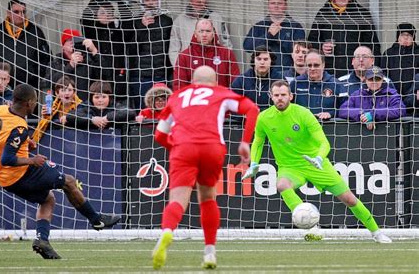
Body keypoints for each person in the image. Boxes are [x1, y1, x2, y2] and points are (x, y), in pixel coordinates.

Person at [242, 80, 392, 244]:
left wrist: (319, 158)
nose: (280, 98)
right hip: (290, 167)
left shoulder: (303, 114)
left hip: (316, 164)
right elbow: (258, 142)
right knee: (282, 185)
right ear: (271, 97)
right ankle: (310, 228)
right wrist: (254, 164)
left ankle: (376, 232)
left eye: (283, 95)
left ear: (291, 96)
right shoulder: (263, 118)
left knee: (349, 199)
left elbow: (324, 143)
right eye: (276, 95)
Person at [0, 84, 120, 259]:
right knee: (69, 181)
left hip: (3, 177)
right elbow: (7, 158)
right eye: (35, 101)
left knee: (48, 199)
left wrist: (26, 141)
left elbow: (3, 137)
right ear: (28, 103)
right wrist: (31, 159)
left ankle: (42, 239)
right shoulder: (19, 126)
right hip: (19, 173)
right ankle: (97, 220)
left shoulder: (0, 109)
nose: (36, 105)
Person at [151, 66, 259, 270]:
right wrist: (245, 142)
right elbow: (252, 109)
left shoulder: (177, 97)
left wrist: (176, 148)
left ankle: (166, 231)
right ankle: (210, 252)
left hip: (183, 147)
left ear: (192, 81)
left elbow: (159, 134)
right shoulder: (221, 93)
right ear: (215, 81)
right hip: (212, 147)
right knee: (208, 197)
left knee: (177, 201)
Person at [307, 0, 381, 77]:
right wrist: (321, 47)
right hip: (328, 71)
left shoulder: (362, 14)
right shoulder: (323, 13)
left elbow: (373, 44)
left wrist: (373, 70)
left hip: (356, 71)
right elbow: (311, 41)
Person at [0, 0, 51, 90]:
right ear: (8, 13)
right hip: (2, 87)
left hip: (28, 86)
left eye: (23, 12)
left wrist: (33, 75)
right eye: (16, 12)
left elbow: (46, 58)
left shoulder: (36, 32)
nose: (20, 15)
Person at [80, 0, 134, 99]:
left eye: (110, 12)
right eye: (103, 12)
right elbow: (85, 16)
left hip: (117, 77)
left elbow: (129, 23)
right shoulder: (92, 30)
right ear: (96, 15)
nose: (107, 15)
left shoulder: (118, 31)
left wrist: (120, 1)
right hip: (96, 76)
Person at [127, 0, 173, 110]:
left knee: (161, 110)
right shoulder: (135, 21)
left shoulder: (167, 21)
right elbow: (131, 49)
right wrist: (142, 27)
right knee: (142, 110)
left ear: (159, 0)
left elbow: (170, 46)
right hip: (140, 75)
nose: (150, 3)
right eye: (147, 0)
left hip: (161, 74)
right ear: (142, 2)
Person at [243, 0, 305, 72]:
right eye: (273, 3)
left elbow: (300, 52)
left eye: (279, 3)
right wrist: (269, 36)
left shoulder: (295, 26)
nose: (276, 6)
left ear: (285, 6)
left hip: (288, 73)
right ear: (268, 5)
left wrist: (279, 37)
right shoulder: (259, 26)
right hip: (263, 73)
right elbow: (247, 47)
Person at [168, 0, 232, 66]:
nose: (198, 1)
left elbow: (226, 44)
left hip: (213, 67)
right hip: (189, 67)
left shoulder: (217, 18)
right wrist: (180, 68)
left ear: (206, 1)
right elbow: (173, 50)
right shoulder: (179, 21)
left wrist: (223, 66)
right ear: (190, 0)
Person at [172, 19, 239, 91]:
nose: (204, 35)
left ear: (213, 33)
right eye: (201, 31)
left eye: (208, 31)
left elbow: (235, 83)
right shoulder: (184, 56)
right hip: (194, 100)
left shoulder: (226, 54)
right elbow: (179, 86)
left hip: (220, 100)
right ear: (195, 34)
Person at [338, 67, 406, 130]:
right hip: (359, 135)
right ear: (365, 80)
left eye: (377, 79)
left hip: (386, 133)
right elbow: (343, 110)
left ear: (382, 80)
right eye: (371, 79)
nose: (374, 82)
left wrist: (373, 114)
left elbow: (400, 109)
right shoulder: (357, 94)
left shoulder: (391, 94)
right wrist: (362, 114)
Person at [45, 29, 103, 101]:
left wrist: (94, 51)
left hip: (84, 106)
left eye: (75, 39)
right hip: (63, 106)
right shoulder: (55, 63)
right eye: (68, 40)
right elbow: (49, 83)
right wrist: (70, 65)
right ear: (63, 45)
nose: (72, 42)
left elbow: (104, 75)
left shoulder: (88, 61)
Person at [290, 49, 347, 120]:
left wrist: (330, 114)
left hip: (328, 128)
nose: (312, 68)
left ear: (323, 65)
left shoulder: (336, 84)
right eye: (309, 65)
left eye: (316, 65)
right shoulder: (295, 83)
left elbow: (346, 109)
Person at [231, 46, 283, 111]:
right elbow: (233, 105)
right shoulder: (241, 80)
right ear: (253, 61)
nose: (262, 62)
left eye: (265, 59)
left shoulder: (280, 80)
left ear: (271, 61)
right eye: (259, 59)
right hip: (247, 119)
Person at [32, 76, 82, 143]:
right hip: (57, 142)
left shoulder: (82, 106)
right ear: (57, 93)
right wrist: (45, 117)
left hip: (77, 141)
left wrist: (69, 118)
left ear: (75, 92)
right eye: (63, 90)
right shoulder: (52, 107)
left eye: (70, 90)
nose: (67, 93)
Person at [69, 81, 136, 130]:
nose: (100, 100)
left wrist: (107, 118)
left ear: (109, 97)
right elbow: (70, 115)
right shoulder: (86, 106)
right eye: (97, 97)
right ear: (91, 98)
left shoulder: (115, 105)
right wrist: (92, 119)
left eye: (104, 97)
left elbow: (130, 112)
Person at [381, 22, 419, 98]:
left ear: (413, 38)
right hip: (391, 94)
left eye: (409, 35)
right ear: (398, 37)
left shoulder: (417, 53)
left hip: (413, 95)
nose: (405, 38)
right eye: (402, 35)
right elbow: (383, 73)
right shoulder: (388, 53)